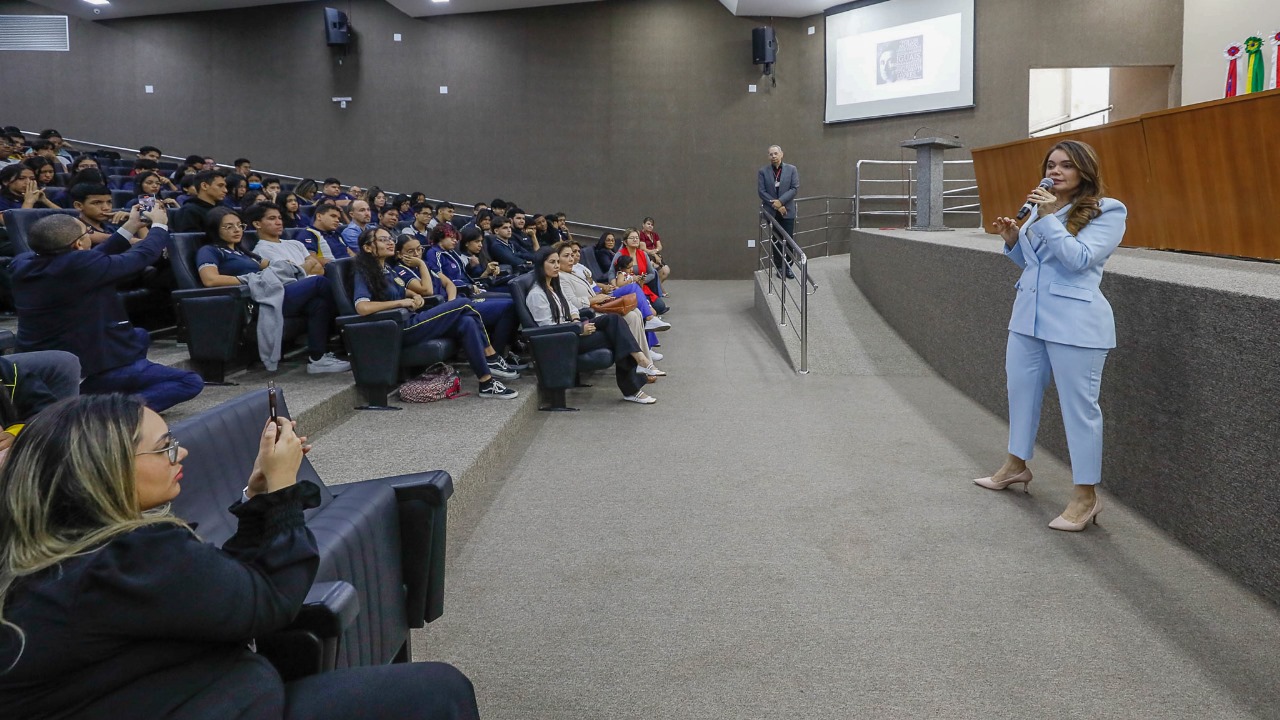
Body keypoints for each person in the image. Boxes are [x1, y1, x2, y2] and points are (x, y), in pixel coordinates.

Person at [0, 393, 482, 719]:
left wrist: (259, 503)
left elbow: (222, 589)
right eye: (165, 448)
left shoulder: (63, 545)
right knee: (439, 692)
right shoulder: (125, 557)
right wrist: (284, 490)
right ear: (102, 471)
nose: (180, 454)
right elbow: (269, 602)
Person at [973, 139, 1127, 533]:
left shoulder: (1108, 211)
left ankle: (1085, 495)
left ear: (1084, 172)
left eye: (1065, 166)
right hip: (1028, 319)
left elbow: (1077, 259)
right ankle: (1015, 465)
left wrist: (1048, 217)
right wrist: (1013, 240)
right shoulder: (1044, 212)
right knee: (1020, 392)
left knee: (1080, 410)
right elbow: (1034, 264)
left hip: (1077, 323)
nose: (1055, 172)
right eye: (1051, 165)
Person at [11, 208, 203, 411]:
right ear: (78, 244)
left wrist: (130, 226)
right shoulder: (79, 265)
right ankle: (104, 410)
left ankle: (109, 392)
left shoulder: (22, 263)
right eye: (88, 233)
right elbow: (143, 255)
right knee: (190, 382)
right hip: (81, 368)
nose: (91, 237)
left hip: (44, 360)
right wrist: (159, 225)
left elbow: (92, 257)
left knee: (138, 335)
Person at [352, 227, 519, 398]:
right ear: (367, 247)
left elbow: (406, 291)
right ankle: (491, 357)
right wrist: (401, 302)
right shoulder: (364, 272)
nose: (390, 242)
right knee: (464, 304)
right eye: (382, 239)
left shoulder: (387, 269)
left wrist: (414, 296)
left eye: (390, 238)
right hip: (398, 327)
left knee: (466, 322)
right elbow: (362, 307)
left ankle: (487, 383)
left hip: (411, 319)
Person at [197, 208, 348, 374]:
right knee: (318, 282)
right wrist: (247, 279)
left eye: (239, 225)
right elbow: (210, 280)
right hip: (255, 300)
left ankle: (317, 359)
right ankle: (350, 333)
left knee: (318, 304)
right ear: (215, 229)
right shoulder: (209, 251)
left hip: (272, 291)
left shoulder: (243, 251)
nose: (237, 230)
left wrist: (291, 268)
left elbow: (274, 267)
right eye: (229, 227)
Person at [524, 247, 660, 404]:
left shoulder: (553, 287)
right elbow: (547, 329)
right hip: (563, 341)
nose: (556, 265)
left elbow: (572, 308)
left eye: (556, 262)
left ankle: (640, 362)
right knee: (618, 338)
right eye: (552, 262)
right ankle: (635, 380)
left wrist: (576, 321)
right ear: (541, 265)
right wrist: (578, 329)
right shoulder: (536, 294)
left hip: (572, 329)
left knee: (613, 320)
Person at [554, 243, 660, 367]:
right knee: (631, 315)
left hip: (600, 305)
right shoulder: (561, 278)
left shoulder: (574, 272)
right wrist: (594, 299)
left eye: (572, 255)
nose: (572, 259)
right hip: (590, 313)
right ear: (557, 260)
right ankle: (640, 364)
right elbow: (572, 303)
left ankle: (646, 361)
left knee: (635, 312)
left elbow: (591, 288)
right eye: (566, 256)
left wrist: (602, 292)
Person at [245, 202, 322, 276]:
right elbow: (291, 274)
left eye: (280, 218)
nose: (279, 222)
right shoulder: (261, 251)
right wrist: (310, 263)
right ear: (257, 224)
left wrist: (301, 269)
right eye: (272, 218)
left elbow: (320, 270)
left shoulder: (296, 243)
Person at [757, 144, 799, 279]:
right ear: (768, 156)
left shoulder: (792, 169)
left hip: (787, 211)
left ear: (782, 154)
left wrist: (781, 202)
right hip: (772, 212)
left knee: (788, 240)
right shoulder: (763, 171)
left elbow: (794, 188)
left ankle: (788, 267)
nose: (773, 156)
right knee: (776, 240)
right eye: (771, 154)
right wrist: (776, 205)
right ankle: (779, 267)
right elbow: (762, 192)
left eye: (775, 153)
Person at [639, 216, 671, 290]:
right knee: (660, 271)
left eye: (652, 225)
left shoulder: (654, 235)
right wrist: (654, 254)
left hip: (655, 255)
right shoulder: (641, 234)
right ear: (643, 225)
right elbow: (643, 248)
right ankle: (659, 289)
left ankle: (658, 288)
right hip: (646, 256)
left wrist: (655, 251)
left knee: (666, 271)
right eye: (648, 224)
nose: (650, 226)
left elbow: (660, 246)